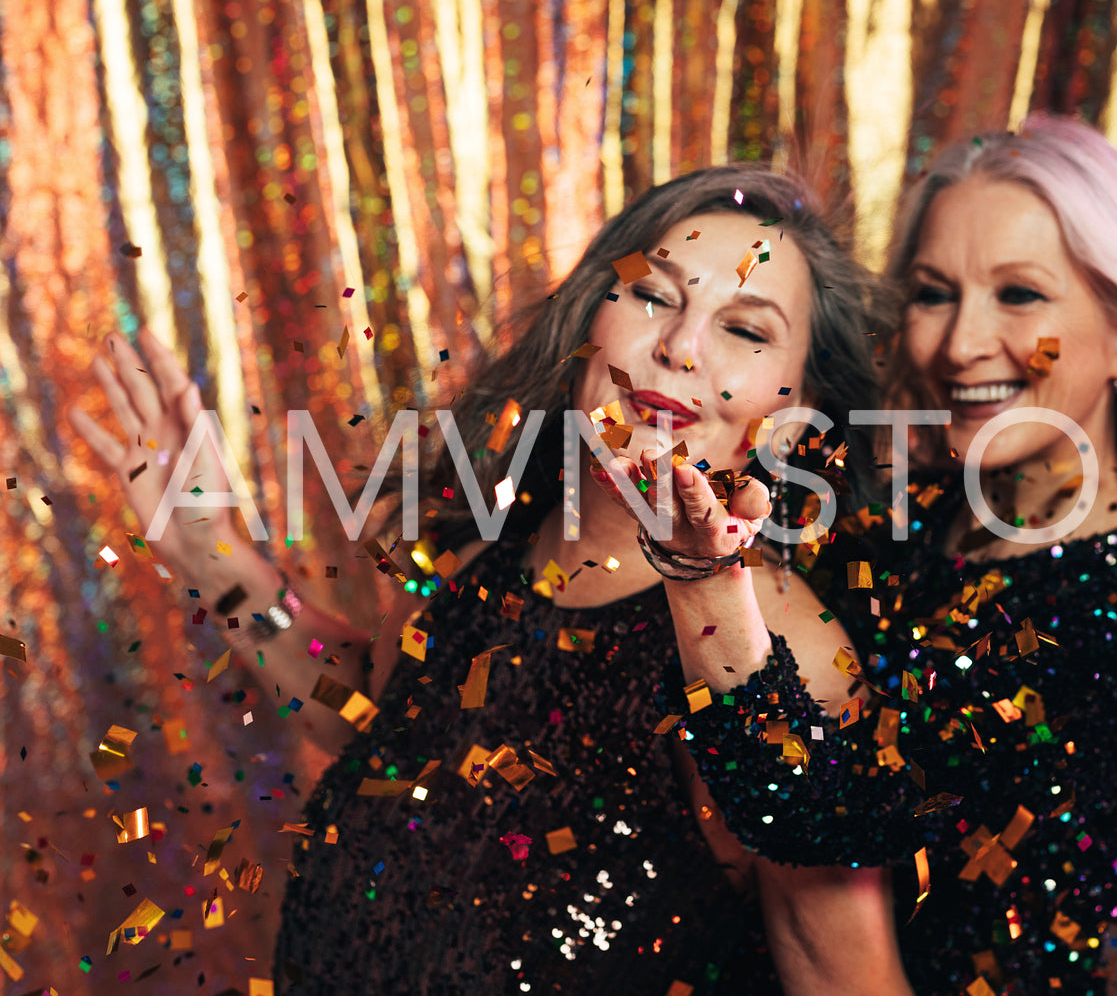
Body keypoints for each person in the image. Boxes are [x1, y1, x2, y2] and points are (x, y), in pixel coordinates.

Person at [68, 166, 914, 994]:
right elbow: (381, 716)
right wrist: (214, 555)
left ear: (801, 402)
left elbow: (846, 973)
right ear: (589, 315)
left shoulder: (774, 654)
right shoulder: (502, 551)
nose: (679, 347)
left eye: (747, 329)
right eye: (655, 296)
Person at [604, 116, 1117, 994]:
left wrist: (699, 575)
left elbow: (818, 822)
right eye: (935, 293)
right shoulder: (914, 515)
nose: (959, 344)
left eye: (1019, 295)